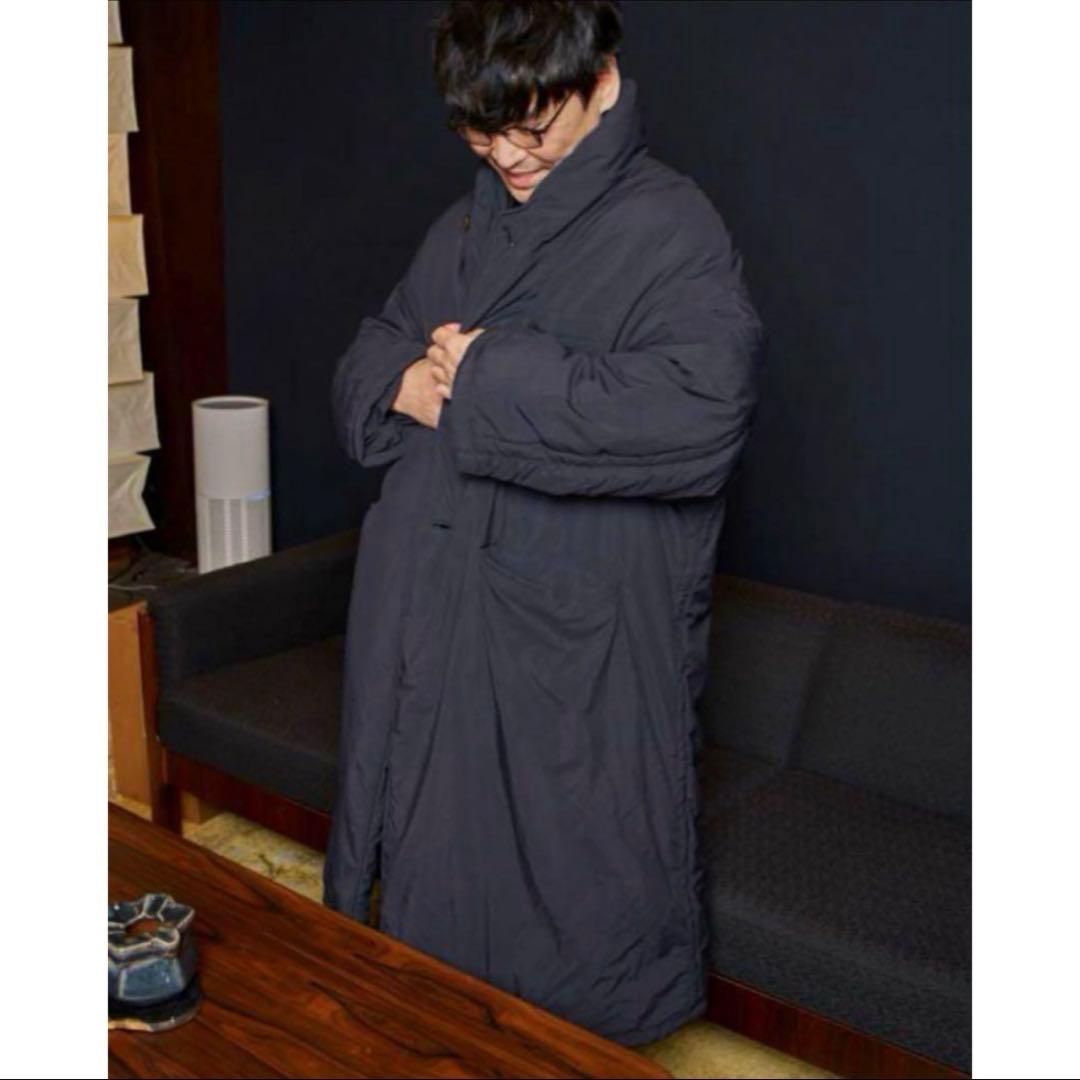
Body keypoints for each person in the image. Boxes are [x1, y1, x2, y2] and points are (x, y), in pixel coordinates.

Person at [324, 0, 765, 1046]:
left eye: (532, 128)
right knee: (421, 895)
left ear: (599, 82)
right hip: (429, 607)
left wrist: (482, 378)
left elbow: (702, 412)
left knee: (562, 906)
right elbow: (375, 345)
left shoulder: (670, 226)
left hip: (568, 638)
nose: (509, 157)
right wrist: (405, 385)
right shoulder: (465, 222)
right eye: (483, 135)